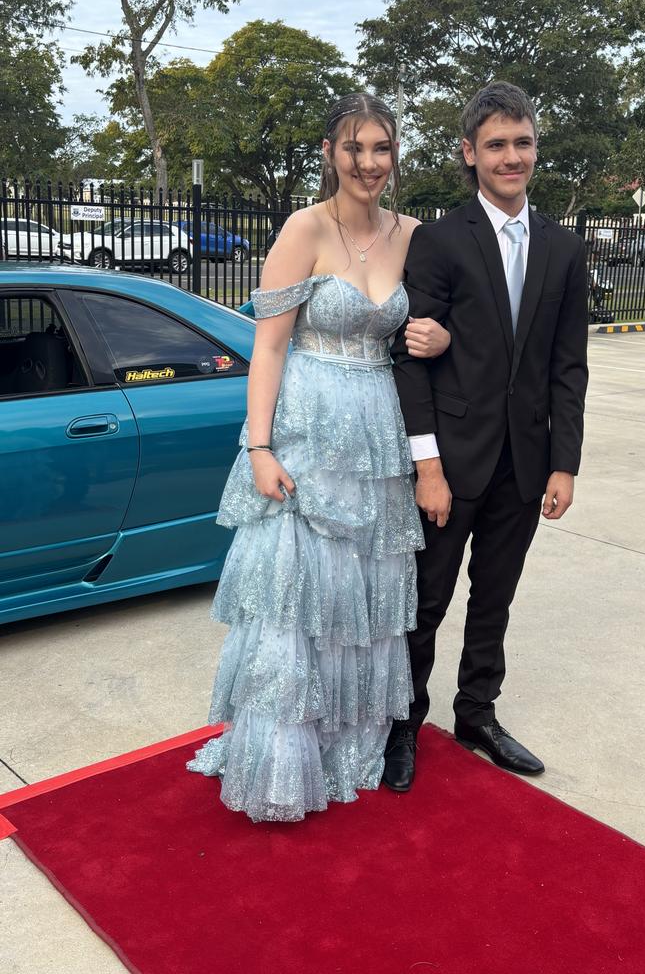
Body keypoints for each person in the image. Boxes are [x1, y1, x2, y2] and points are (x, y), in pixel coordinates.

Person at [188, 93, 450, 822]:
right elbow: (267, 346)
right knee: (296, 602)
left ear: (396, 157)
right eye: (354, 148)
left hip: (376, 436)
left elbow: (431, 330)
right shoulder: (304, 228)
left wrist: (443, 340)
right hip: (305, 431)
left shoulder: (414, 235)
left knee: (361, 600)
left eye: (382, 149)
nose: (368, 164)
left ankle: (347, 743)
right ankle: (281, 761)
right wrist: (260, 446)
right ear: (331, 155)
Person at [383, 81, 589, 791]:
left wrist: (564, 463)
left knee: (494, 597)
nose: (512, 157)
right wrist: (427, 467)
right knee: (425, 603)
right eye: (496, 145)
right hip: (453, 463)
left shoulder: (563, 248)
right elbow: (412, 359)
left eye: (522, 143)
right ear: (468, 153)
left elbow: (568, 364)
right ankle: (402, 726)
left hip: (525, 464)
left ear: (536, 148)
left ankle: (477, 715)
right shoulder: (438, 242)